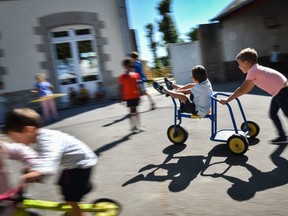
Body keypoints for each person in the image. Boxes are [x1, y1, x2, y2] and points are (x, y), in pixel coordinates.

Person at [3, 108, 98, 216]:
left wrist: (35, 173)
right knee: (63, 186)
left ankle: (78, 212)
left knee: (71, 199)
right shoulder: (39, 137)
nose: (16, 142)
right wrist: (34, 169)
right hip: (72, 164)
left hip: (81, 164)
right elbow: (43, 157)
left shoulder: (49, 140)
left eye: (16, 138)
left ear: (29, 130)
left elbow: (49, 162)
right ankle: (84, 187)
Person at [219, 48, 288, 144]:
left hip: (282, 92)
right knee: (273, 114)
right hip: (279, 92)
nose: (239, 67)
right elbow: (246, 89)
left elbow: (242, 89)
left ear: (246, 63)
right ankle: (282, 136)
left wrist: (227, 100)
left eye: (239, 64)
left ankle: (282, 136)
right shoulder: (256, 70)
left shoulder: (253, 71)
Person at [118, 58, 143, 133]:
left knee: (136, 111)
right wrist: (121, 97)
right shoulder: (122, 77)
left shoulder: (136, 75)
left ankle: (139, 126)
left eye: (130, 65)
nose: (129, 67)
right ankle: (133, 127)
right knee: (131, 112)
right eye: (127, 66)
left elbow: (138, 86)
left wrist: (140, 95)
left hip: (135, 96)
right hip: (128, 97)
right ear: (124, 66)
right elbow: (121, 87)